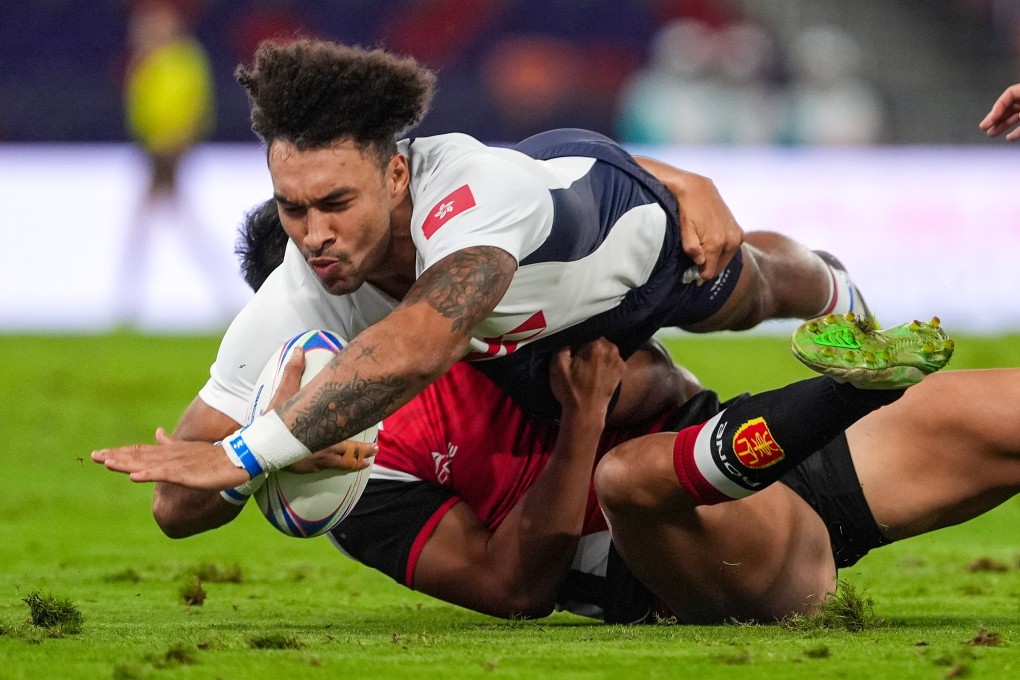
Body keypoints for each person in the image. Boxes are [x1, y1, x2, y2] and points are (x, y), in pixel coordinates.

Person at [92, 38, 883, 506]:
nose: (315, 236)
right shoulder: (303, 282)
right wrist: (243, 474)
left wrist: (248, 452)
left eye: (336, 202)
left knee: (749, 293)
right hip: (515, 336)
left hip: (616, 247)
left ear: (397, 176)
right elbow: (173, 503)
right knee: (635, 401)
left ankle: (838, 287)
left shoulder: (467, 198)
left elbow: (422, 341)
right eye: (292, 210)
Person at [128, 207, 962, 626]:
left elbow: (612, 199)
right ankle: (855, 388)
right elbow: (515, 587)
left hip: (747, 437)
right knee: (627, 475)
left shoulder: (467, 288)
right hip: (673, 556)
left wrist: (689, 191)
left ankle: (837, 316)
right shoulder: (349, 478)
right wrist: (581, 421)